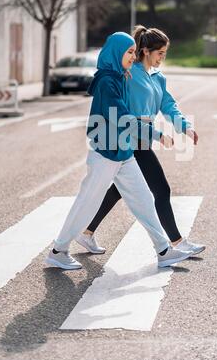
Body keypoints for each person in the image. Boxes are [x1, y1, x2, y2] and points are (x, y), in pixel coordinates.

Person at [46, 32, 193, 270]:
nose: (133, 57)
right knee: (87, 203)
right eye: (129, 52)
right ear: (116, 52)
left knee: (144, 199)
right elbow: (124, 118)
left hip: (123, 152)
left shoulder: (120, 76)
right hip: (106, 153)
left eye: (134, 52)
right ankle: (58, 250)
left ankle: (164, 250)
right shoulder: (107, 82)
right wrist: (156, 135)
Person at [76, 26, 206, 256]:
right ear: (145, 51)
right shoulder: (129, 74)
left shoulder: (158, 77)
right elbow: (119, 108)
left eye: (165, 53)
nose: (162, 58)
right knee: (161, 190)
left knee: (117, 190)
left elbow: (168, 105)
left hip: (141, 138)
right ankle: (176, 243)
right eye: (160, 53)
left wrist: (185, 126)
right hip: (129, 138)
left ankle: (86, 232)